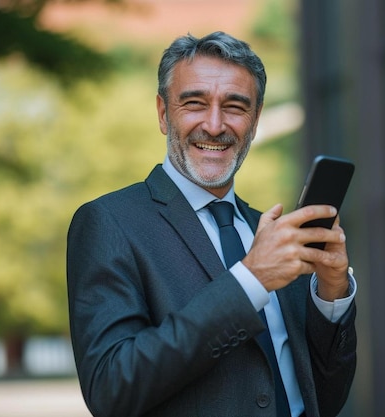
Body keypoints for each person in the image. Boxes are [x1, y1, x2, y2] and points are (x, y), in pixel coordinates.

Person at [67, 31, 357, 417]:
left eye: (235, 107)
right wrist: (250, 280)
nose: (216, 125)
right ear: (162, 113)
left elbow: (326, 397)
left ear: (254, 120)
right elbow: (111, 388)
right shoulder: (109, 223)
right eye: (194, 103)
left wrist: (331, 295)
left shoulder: (271, 235)